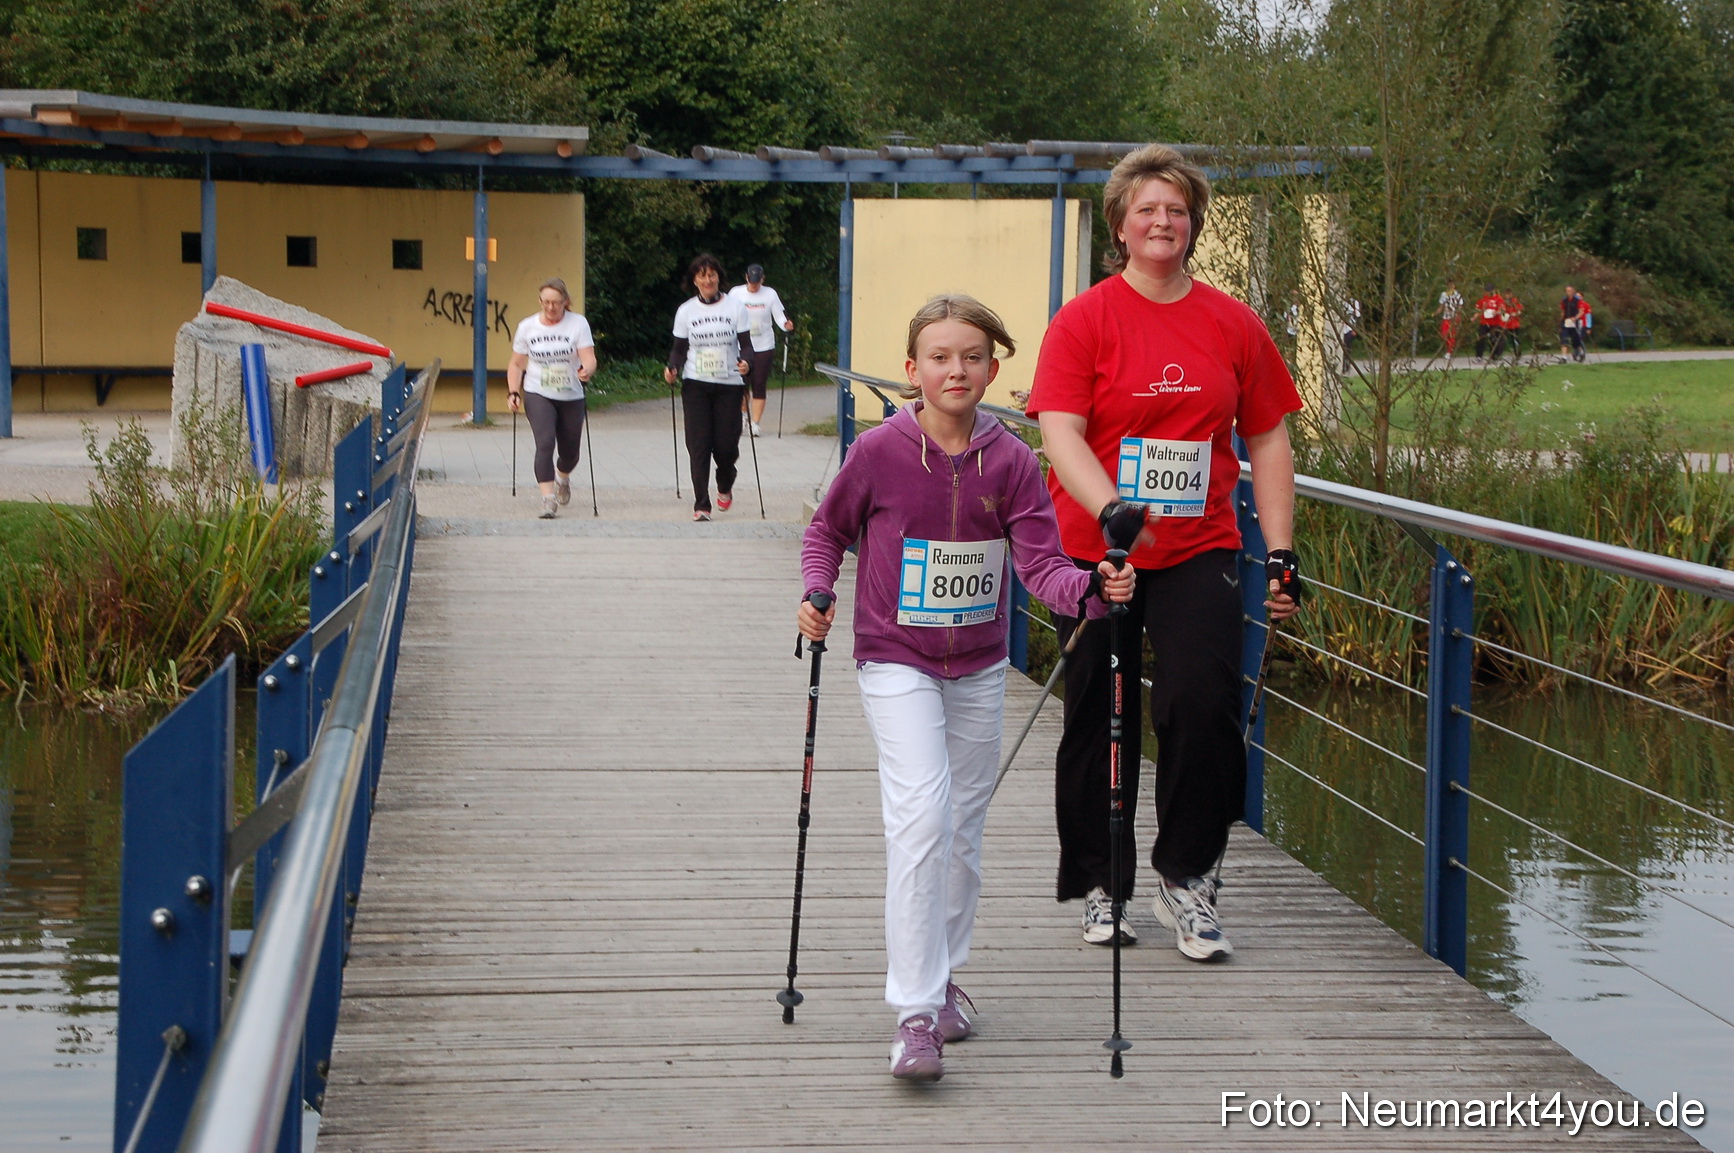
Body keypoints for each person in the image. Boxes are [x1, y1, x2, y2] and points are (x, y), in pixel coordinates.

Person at [799, 295, 1135, 1083]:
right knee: (921, 811)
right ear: (912, 369)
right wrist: (819, 590)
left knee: (960, 828)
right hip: (896, 658)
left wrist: (1095, 586)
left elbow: (1042, 567)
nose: (957, 369)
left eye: (973, 355)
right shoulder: (880, 450)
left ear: (994, 366)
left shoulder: (1014, 460)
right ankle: (915, 1013)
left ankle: (944, 978)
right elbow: (826, 532)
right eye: (940, 356)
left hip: (979, 667)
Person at [1025, 143, 1303, 961]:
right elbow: (1060, 429)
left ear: (1194, 225)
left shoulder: (1231, 322)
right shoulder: (1087, 319)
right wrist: (1110, 505)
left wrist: (1280, 548)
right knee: (1099, 717)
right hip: (1101, 547)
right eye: (1147, 208)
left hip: (1200, 543)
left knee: (1201, 706)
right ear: (1120, 223)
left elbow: (1269, 433)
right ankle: (1099, 882)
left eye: (1177, 210)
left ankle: (1189, 876)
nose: (1162, 222)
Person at [665, 254, 752, 521]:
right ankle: (701, 503)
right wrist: (672, 368)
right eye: (702, 275)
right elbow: (679, 349)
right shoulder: (686, 311)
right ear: (694, 280)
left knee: (726, 447)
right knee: (698, 444)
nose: (707, 280)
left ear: (718, 277)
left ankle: (725, 483)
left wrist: (746, 362)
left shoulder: (735, 307)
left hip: (728, 384)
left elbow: (746, 344)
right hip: (696, 385)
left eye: (711, 274)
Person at [506, 277, 596, 519]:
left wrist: (587, 369)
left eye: (556, 303)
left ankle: (562, 477)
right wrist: (514, 391)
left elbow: (588, 356)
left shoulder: (578, 324)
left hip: (570, 393)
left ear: (565, 302)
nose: (550, 308)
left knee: (570, 453)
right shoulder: (528, 326)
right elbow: (516, 363)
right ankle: (547, 499)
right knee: (545, 443)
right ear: (540, 301)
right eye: (546, 302)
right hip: (538, 391)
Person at [726, 264, 794, 437]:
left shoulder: (770, 294)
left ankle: (755, 423)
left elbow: (779, 315)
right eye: (751, 281)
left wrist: (785, 324)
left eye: (757, 282)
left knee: (759, 384)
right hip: (741, 345)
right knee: (741, 384)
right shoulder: (736, 293)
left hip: (763, 345)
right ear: (746, 278)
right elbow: (727, 313)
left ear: (762, 280)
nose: (754, 285)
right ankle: (742, 416)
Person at [1475, 283, 1505, 359]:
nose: (1487, 293)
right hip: (1484, 322)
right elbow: (1478, 309)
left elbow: (1502, 310)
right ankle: (1479, 356)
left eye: (1489, 291)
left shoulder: (1499, 299)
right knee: (1481, 338)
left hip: (1495, 322)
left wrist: (1497, 312)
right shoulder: (1484, 299)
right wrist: (1476, 315)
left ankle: (1494, 355)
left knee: (1494, 339)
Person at [1559, 286, 1586, 363]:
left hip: (1574, 322)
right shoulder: (1564, 300)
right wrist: (1561, 320)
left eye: (1570, 290)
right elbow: (1562, 310)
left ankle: (1580, 353)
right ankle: (1564, 357)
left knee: (1576, 340)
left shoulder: (1578, 300)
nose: (1568, 292)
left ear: (1573, 291)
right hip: (1566, 321)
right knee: (1564, 339)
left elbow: (1581, 311)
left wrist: (1575, 318)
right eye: (1567, 291)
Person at [1437, 281, 1464, 357]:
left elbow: (1460, 307)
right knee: (1444, 334)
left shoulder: (1458, 295)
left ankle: (1449, 351)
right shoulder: (1444, 294)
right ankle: (1449, 349)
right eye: (1449, 284)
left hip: (1454, 317)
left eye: (1452, 285)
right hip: (1446, 316)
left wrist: (1457, 316)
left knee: (1452, 334)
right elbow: (1441, 306)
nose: (1451, 286)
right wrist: (1435, 313)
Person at [1500, 293, 1524, 361]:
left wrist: (1514, 314)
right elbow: (1502, 310)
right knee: (1501, 339)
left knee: (1515, 339)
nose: (1507, 296)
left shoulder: (1515, 302)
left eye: (1508, 294)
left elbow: (1519, 311)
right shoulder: (1503, 302)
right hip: (1506, 324)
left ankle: (1518, 354)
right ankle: (1498, 354)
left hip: (1515, 324)